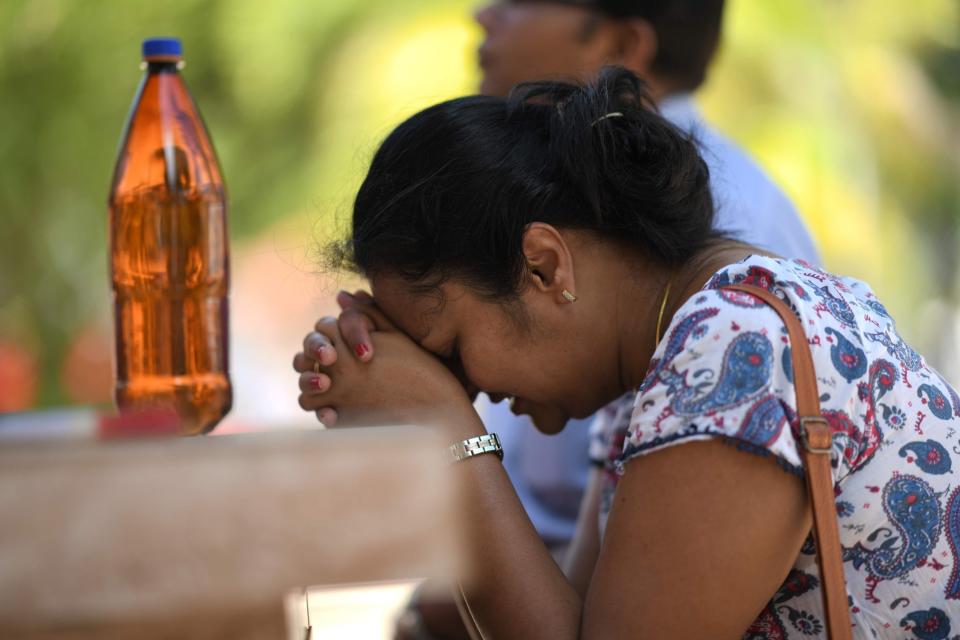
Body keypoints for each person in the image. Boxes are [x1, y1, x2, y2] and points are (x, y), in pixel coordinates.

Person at [294, 68, 960, 637]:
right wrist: (422, 418)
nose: (468, 387)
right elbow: (568, 621)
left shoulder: (735, 350)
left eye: (451, 350)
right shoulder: (671, 359)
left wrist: (445, 429)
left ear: (544, 265)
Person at [471, 0, 820, 562]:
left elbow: (653, 575)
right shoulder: (589, 197)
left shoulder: (710, 226)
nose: (483, 15)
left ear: (622, 47)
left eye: (519, 3)